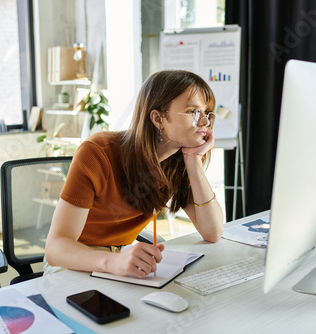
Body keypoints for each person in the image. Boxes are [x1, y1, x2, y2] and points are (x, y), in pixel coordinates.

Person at [44, 69, 224, 278]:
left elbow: (213, 232)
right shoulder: (98, 153)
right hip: (75, 262)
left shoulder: (178, 161)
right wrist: (113, 262)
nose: (205, 123)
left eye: (207, 113)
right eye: (193, 112)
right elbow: (55, 248)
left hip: (120, 260)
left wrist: (194, 161)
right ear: (158, 119)